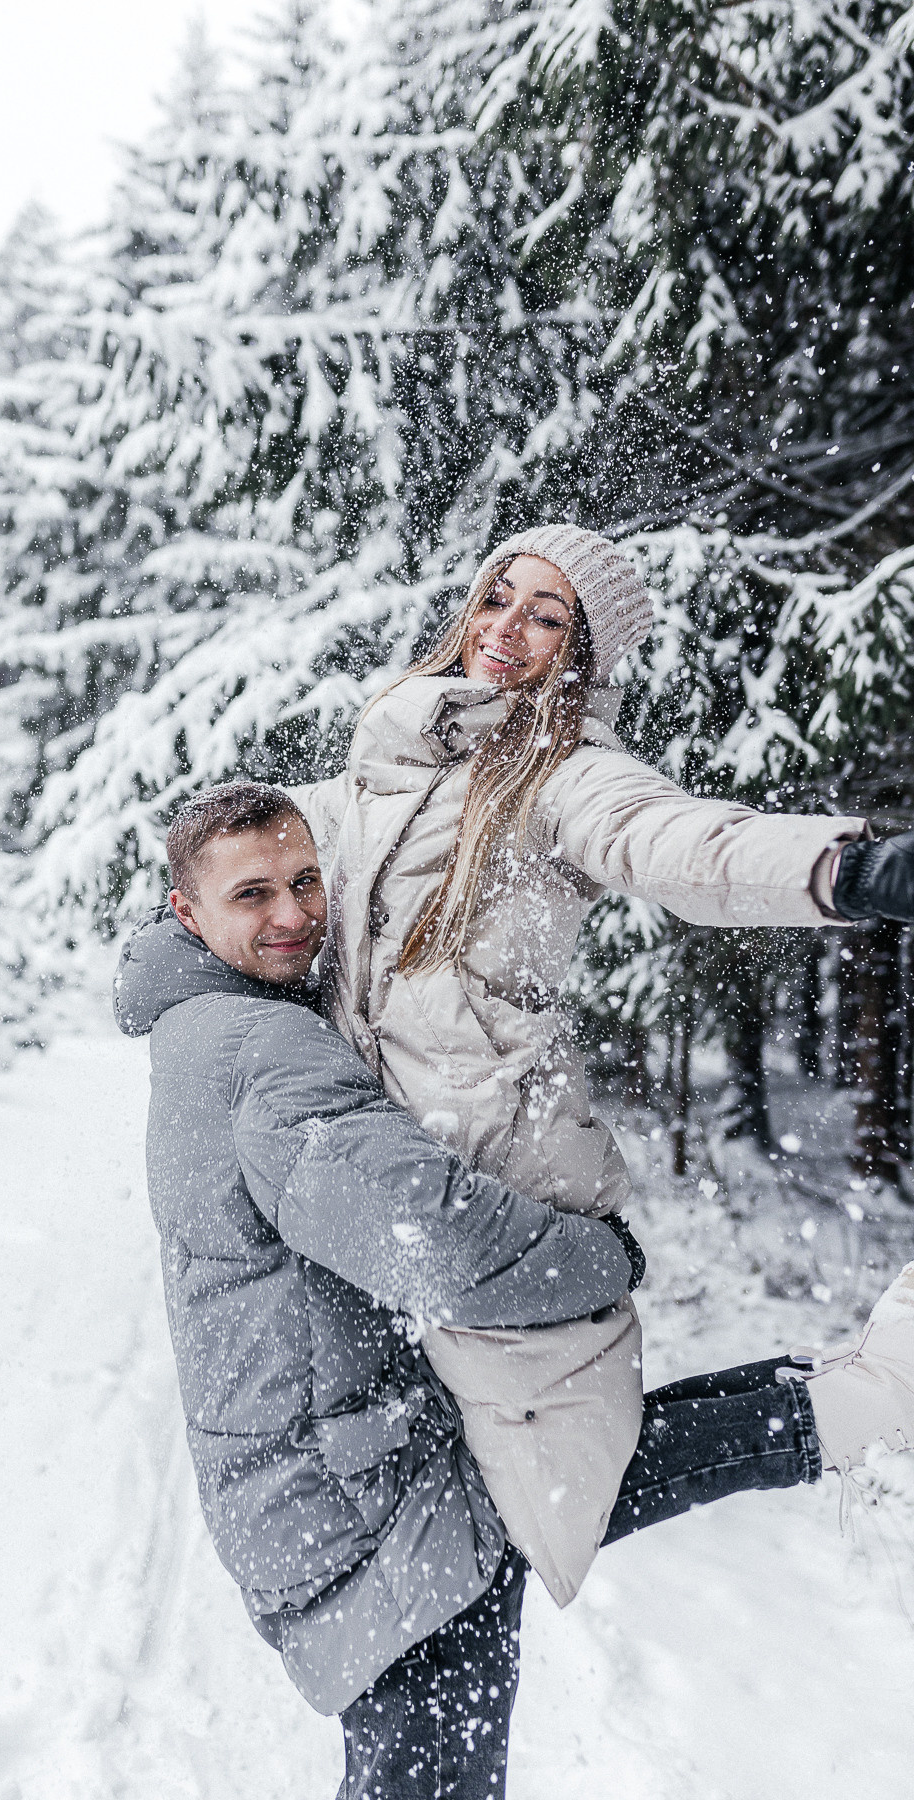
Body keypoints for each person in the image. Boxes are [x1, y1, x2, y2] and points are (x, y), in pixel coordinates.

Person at [113, 779, 914, 1800]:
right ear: (187, 912)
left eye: (306, 882)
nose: (291, 916)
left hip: (329, 1486)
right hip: (363, 1507)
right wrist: (603, 1256)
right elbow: (438, 1244)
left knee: (577, 1465)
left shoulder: (208, 1024)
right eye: (253, 895)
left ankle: (860, 1399)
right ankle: (860, 1401)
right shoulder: (256, 1052)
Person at [289, 522, 914, 1608]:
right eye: (500, 597)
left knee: (554, 1487)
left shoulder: (566, 779)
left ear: (582, 655)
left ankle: (863, 1401)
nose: (508, 631)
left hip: (497, 1174)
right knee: (454, 1484)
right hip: (382, 1179)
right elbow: (265, 871)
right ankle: (835, 1403)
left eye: (548, 616)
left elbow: (686, 849)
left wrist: (850, 871)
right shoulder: (380, 765)